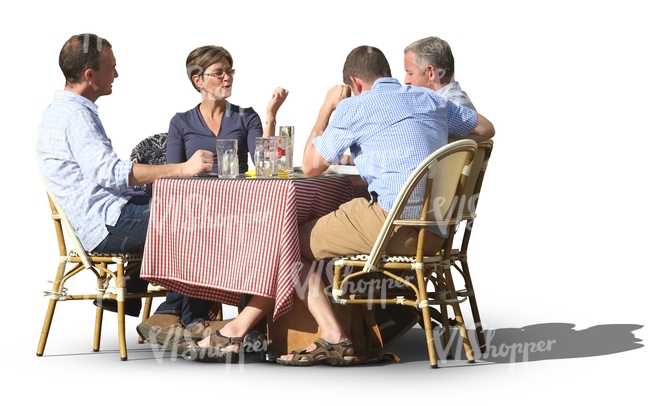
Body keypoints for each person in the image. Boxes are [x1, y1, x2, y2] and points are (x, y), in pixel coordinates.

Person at [276, 45, 494, 366]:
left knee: (291, 240)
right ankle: (358, 325)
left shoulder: (355, 108)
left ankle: (334, 336)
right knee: (345, 221)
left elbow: (310, 167)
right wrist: (433, 152)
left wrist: (326, 110)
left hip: (393, 226)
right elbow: (486, 130)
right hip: (436, 234)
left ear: (354, 83)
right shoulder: (431, 98)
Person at [35, 34, 214, 317]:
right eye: (111, 68)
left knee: (184, 208)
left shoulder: (58, 111)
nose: (116, 74)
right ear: (89, 74)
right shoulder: (75, 115)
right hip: (106, 224)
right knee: (204, 222)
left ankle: (134, 286)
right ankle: (180, 320)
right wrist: (183, 168)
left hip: (99, 217)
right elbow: (109, 172)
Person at [137, 45, 289, 362]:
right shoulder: (181, 122)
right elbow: (171, 177)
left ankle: (191, 317)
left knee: (258, 234)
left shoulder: (246, 116)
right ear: (198, 80)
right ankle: (197, 319)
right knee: (198, 230)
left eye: (229, 71)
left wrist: (271, 115)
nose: (226, 77)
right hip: (197, 210)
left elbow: (266, 168)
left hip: (240, 208)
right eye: (218, 73)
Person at [403, 36, 476, 112]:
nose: (406, 81)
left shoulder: (448, 111)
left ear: (431, 72)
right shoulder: (451, 106)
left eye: (410, 73)